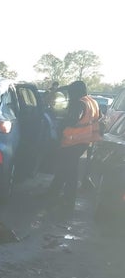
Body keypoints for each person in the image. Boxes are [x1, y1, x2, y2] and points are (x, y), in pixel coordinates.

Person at [45, 80, 100, 213]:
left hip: (72, 141)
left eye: (71, 91)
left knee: (69, 173)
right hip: (84, 141)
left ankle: (67, 202)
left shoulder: (79, 103)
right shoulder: (92, 102)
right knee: (66, 170)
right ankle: (53, 195)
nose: (70, 94)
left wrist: (62, 124)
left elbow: (73, 118)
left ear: (77, 91)